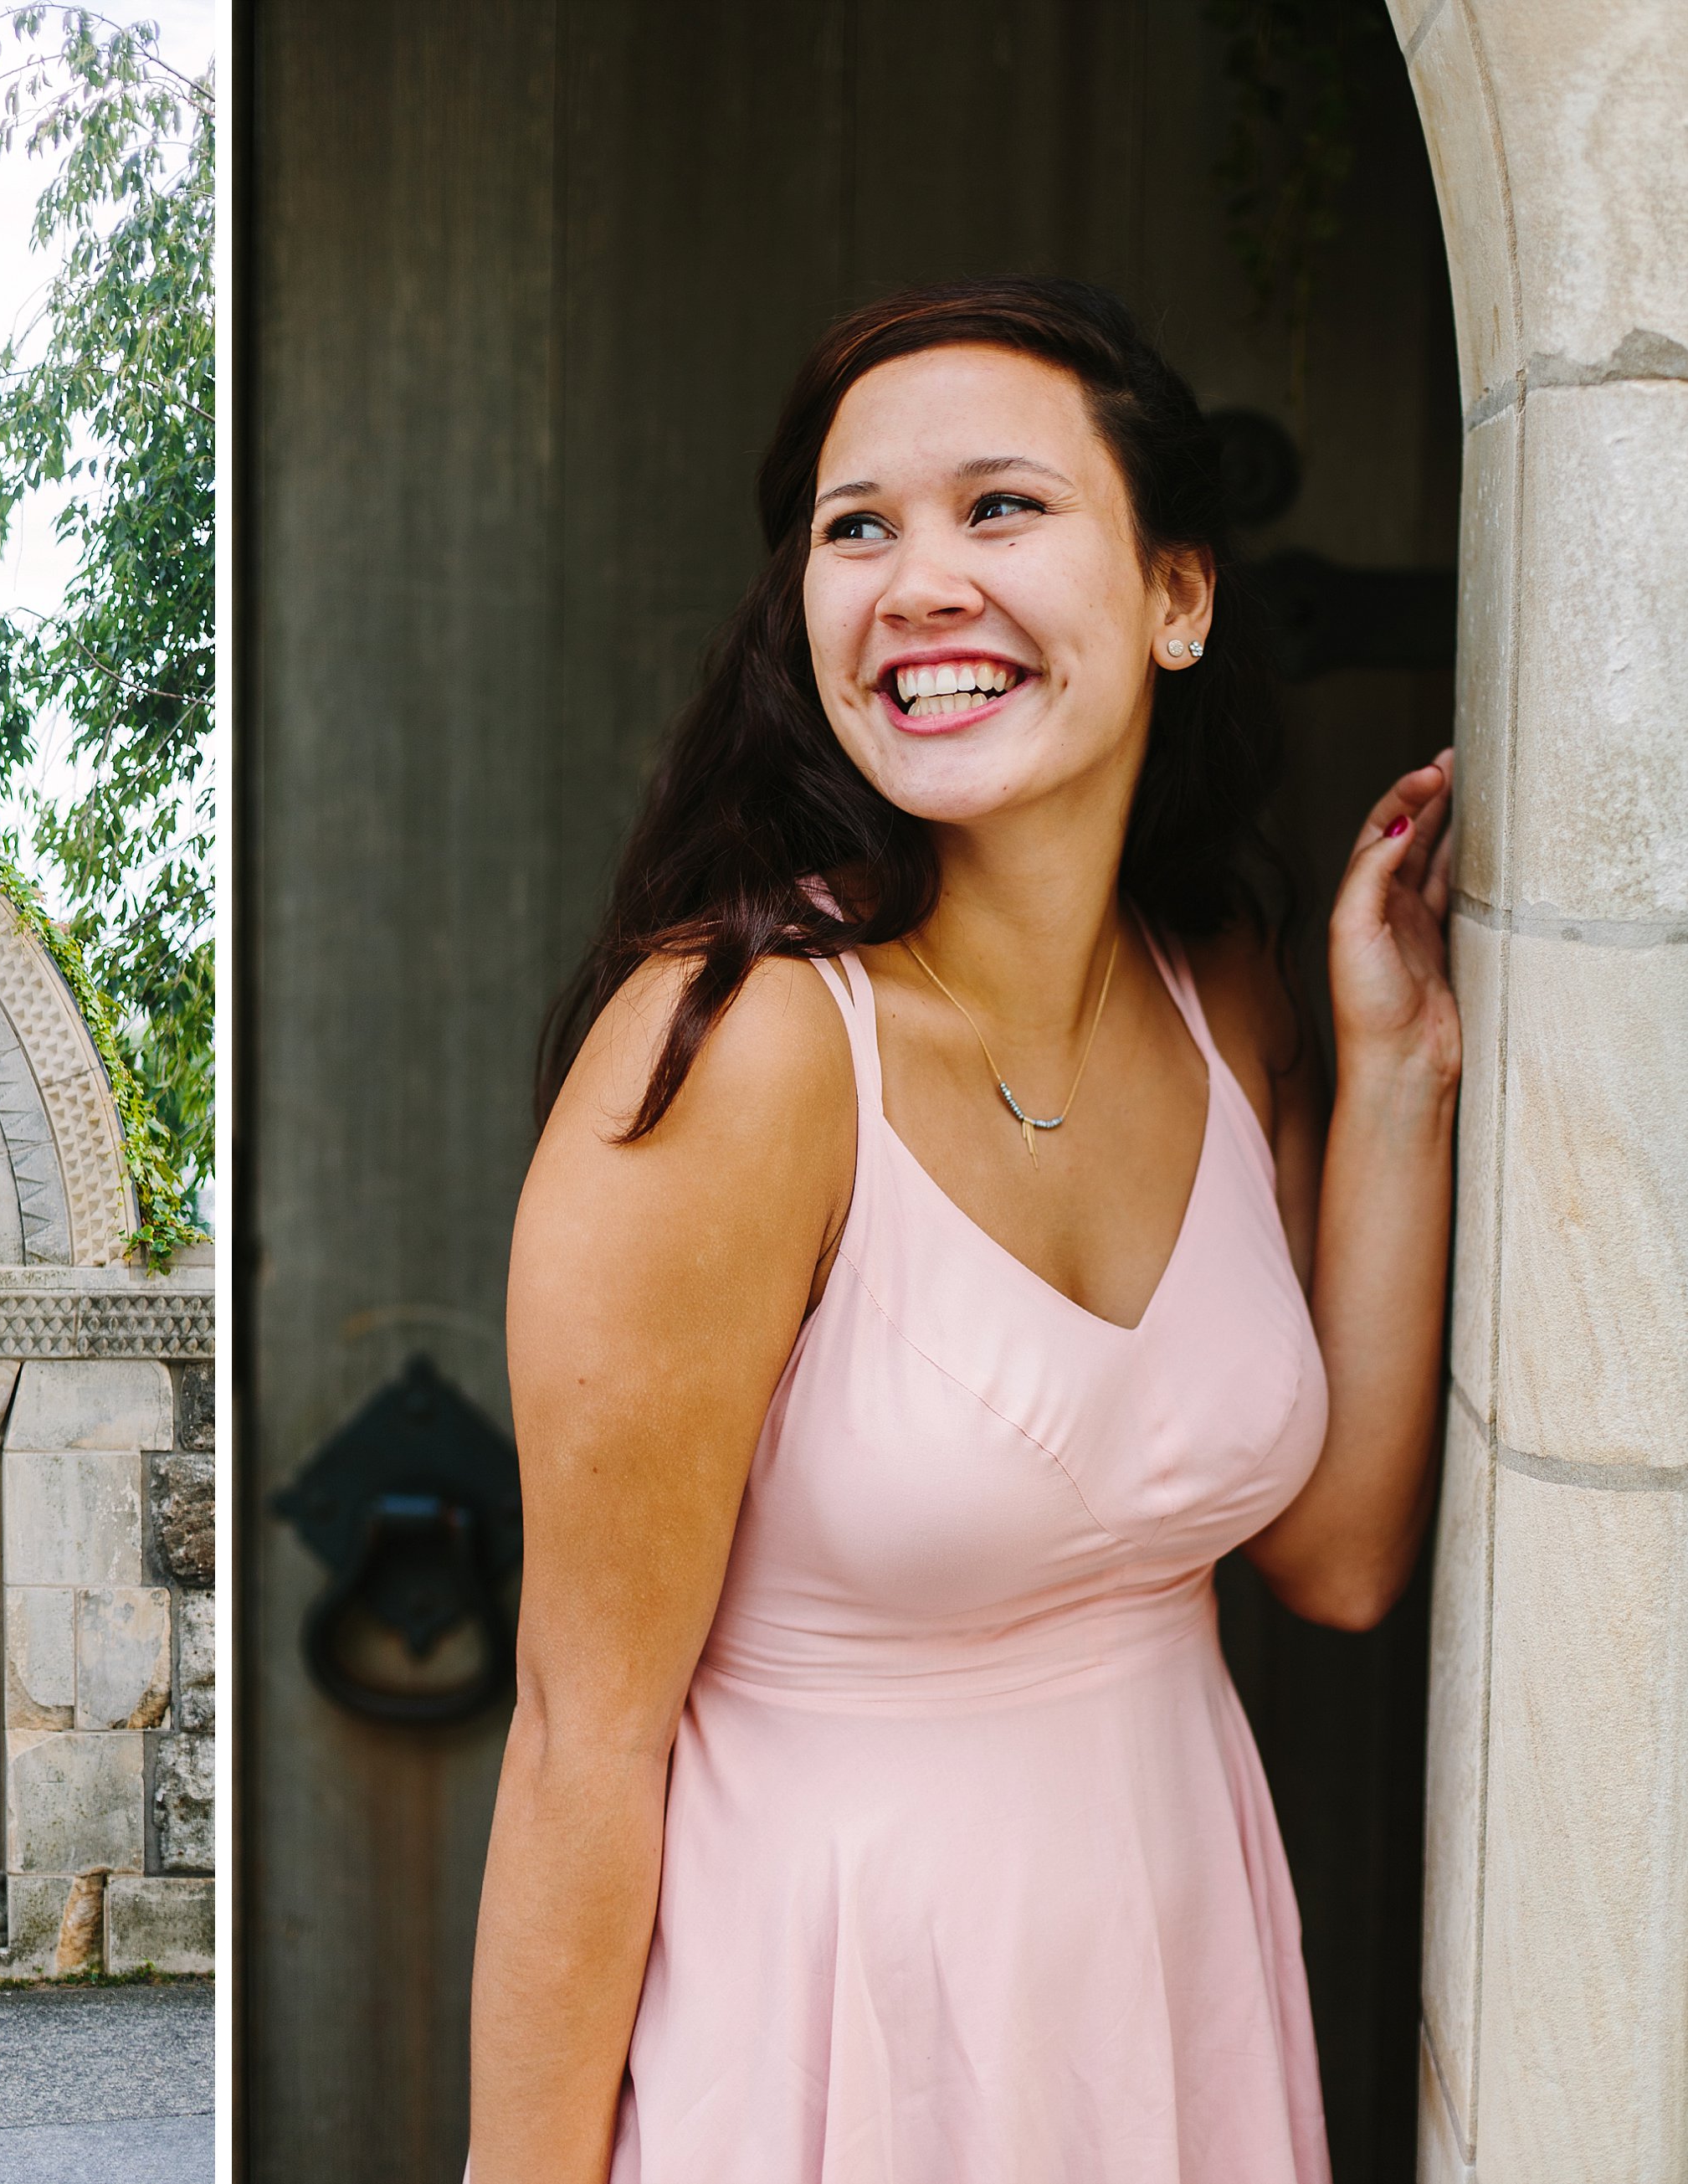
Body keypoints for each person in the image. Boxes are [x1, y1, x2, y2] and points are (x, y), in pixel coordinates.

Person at [468, 277, 1457, 2181]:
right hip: (840, 2029)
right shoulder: (741, 1054)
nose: (917, 579)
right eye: (861, 529)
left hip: (1171, 1989)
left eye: (1000, 506)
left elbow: (1332, 1558)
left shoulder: (1221, 992)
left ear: (1179, 595)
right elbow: (582, 1745)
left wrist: (1394, 1068)